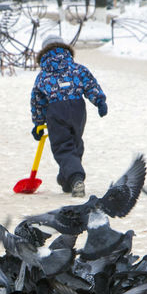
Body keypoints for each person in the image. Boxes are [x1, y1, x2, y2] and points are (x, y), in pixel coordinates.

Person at [30, 34, 108, 198]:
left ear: (44, 53)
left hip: (56, 111)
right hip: (78, 109)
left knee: (63, 147)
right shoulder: (77, 69)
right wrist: (99, 102)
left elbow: (37, 101)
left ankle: (76, 178)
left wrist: (38, 123)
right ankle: (66, 180)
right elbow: (90, 84)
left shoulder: (43, 75)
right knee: (75, 143)